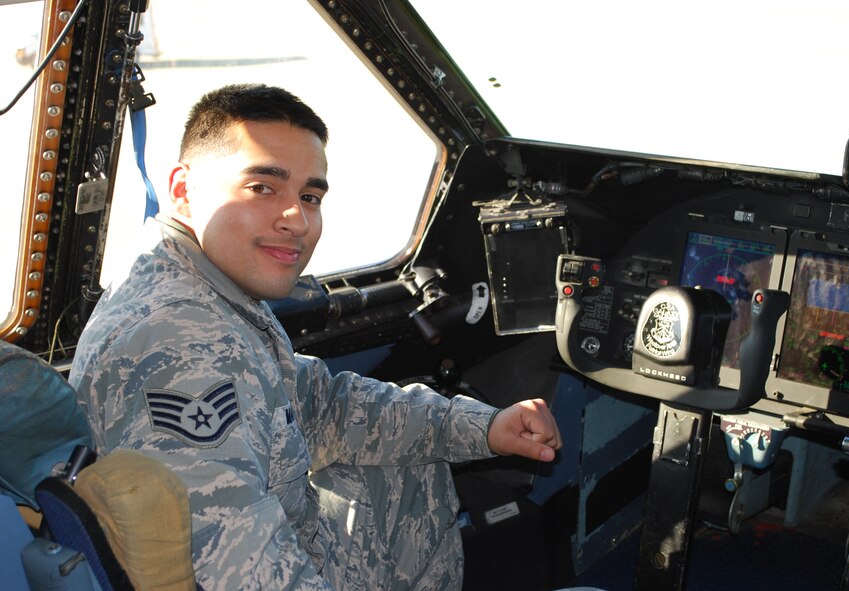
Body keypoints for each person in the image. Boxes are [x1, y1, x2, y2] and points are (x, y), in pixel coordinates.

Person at [69, 83, 562, 590]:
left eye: (309, 196)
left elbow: (325, 405)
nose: (297, 220)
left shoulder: (206, 291)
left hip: (298, 538)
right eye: (262, 188)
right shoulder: (181, 347)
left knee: (406, 461)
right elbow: (240, 574)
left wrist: (483, 427)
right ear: (181, 189)